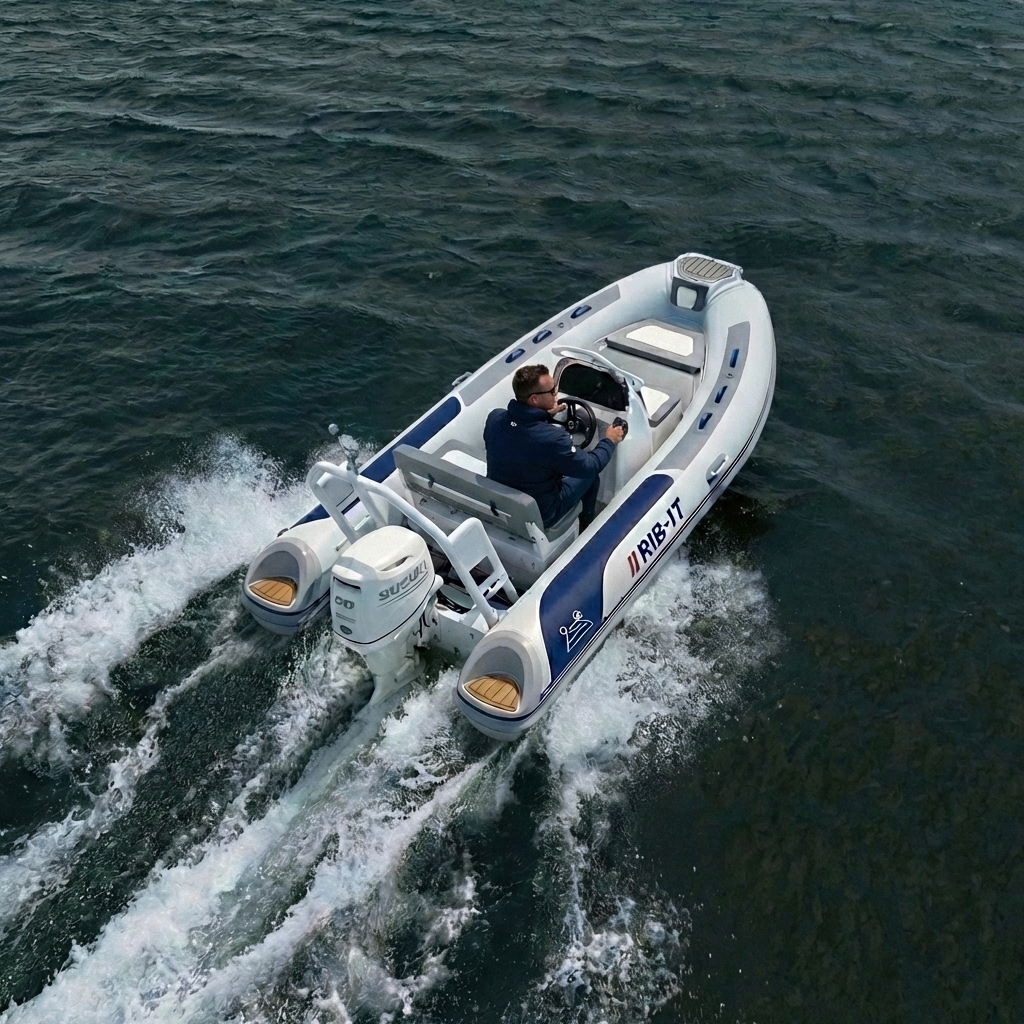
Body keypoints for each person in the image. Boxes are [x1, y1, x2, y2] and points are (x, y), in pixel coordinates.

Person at [484, 363, 625, 531]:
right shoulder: (553, 439)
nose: (556, 393)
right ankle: (586, 527)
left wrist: (544, 415)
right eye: (551, 392)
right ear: (534, 399)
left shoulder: (494, 418)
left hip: (500, 503)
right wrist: (609, 440)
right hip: (542, 514)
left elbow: (519, 441)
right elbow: (590, 466)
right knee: (590, 476)